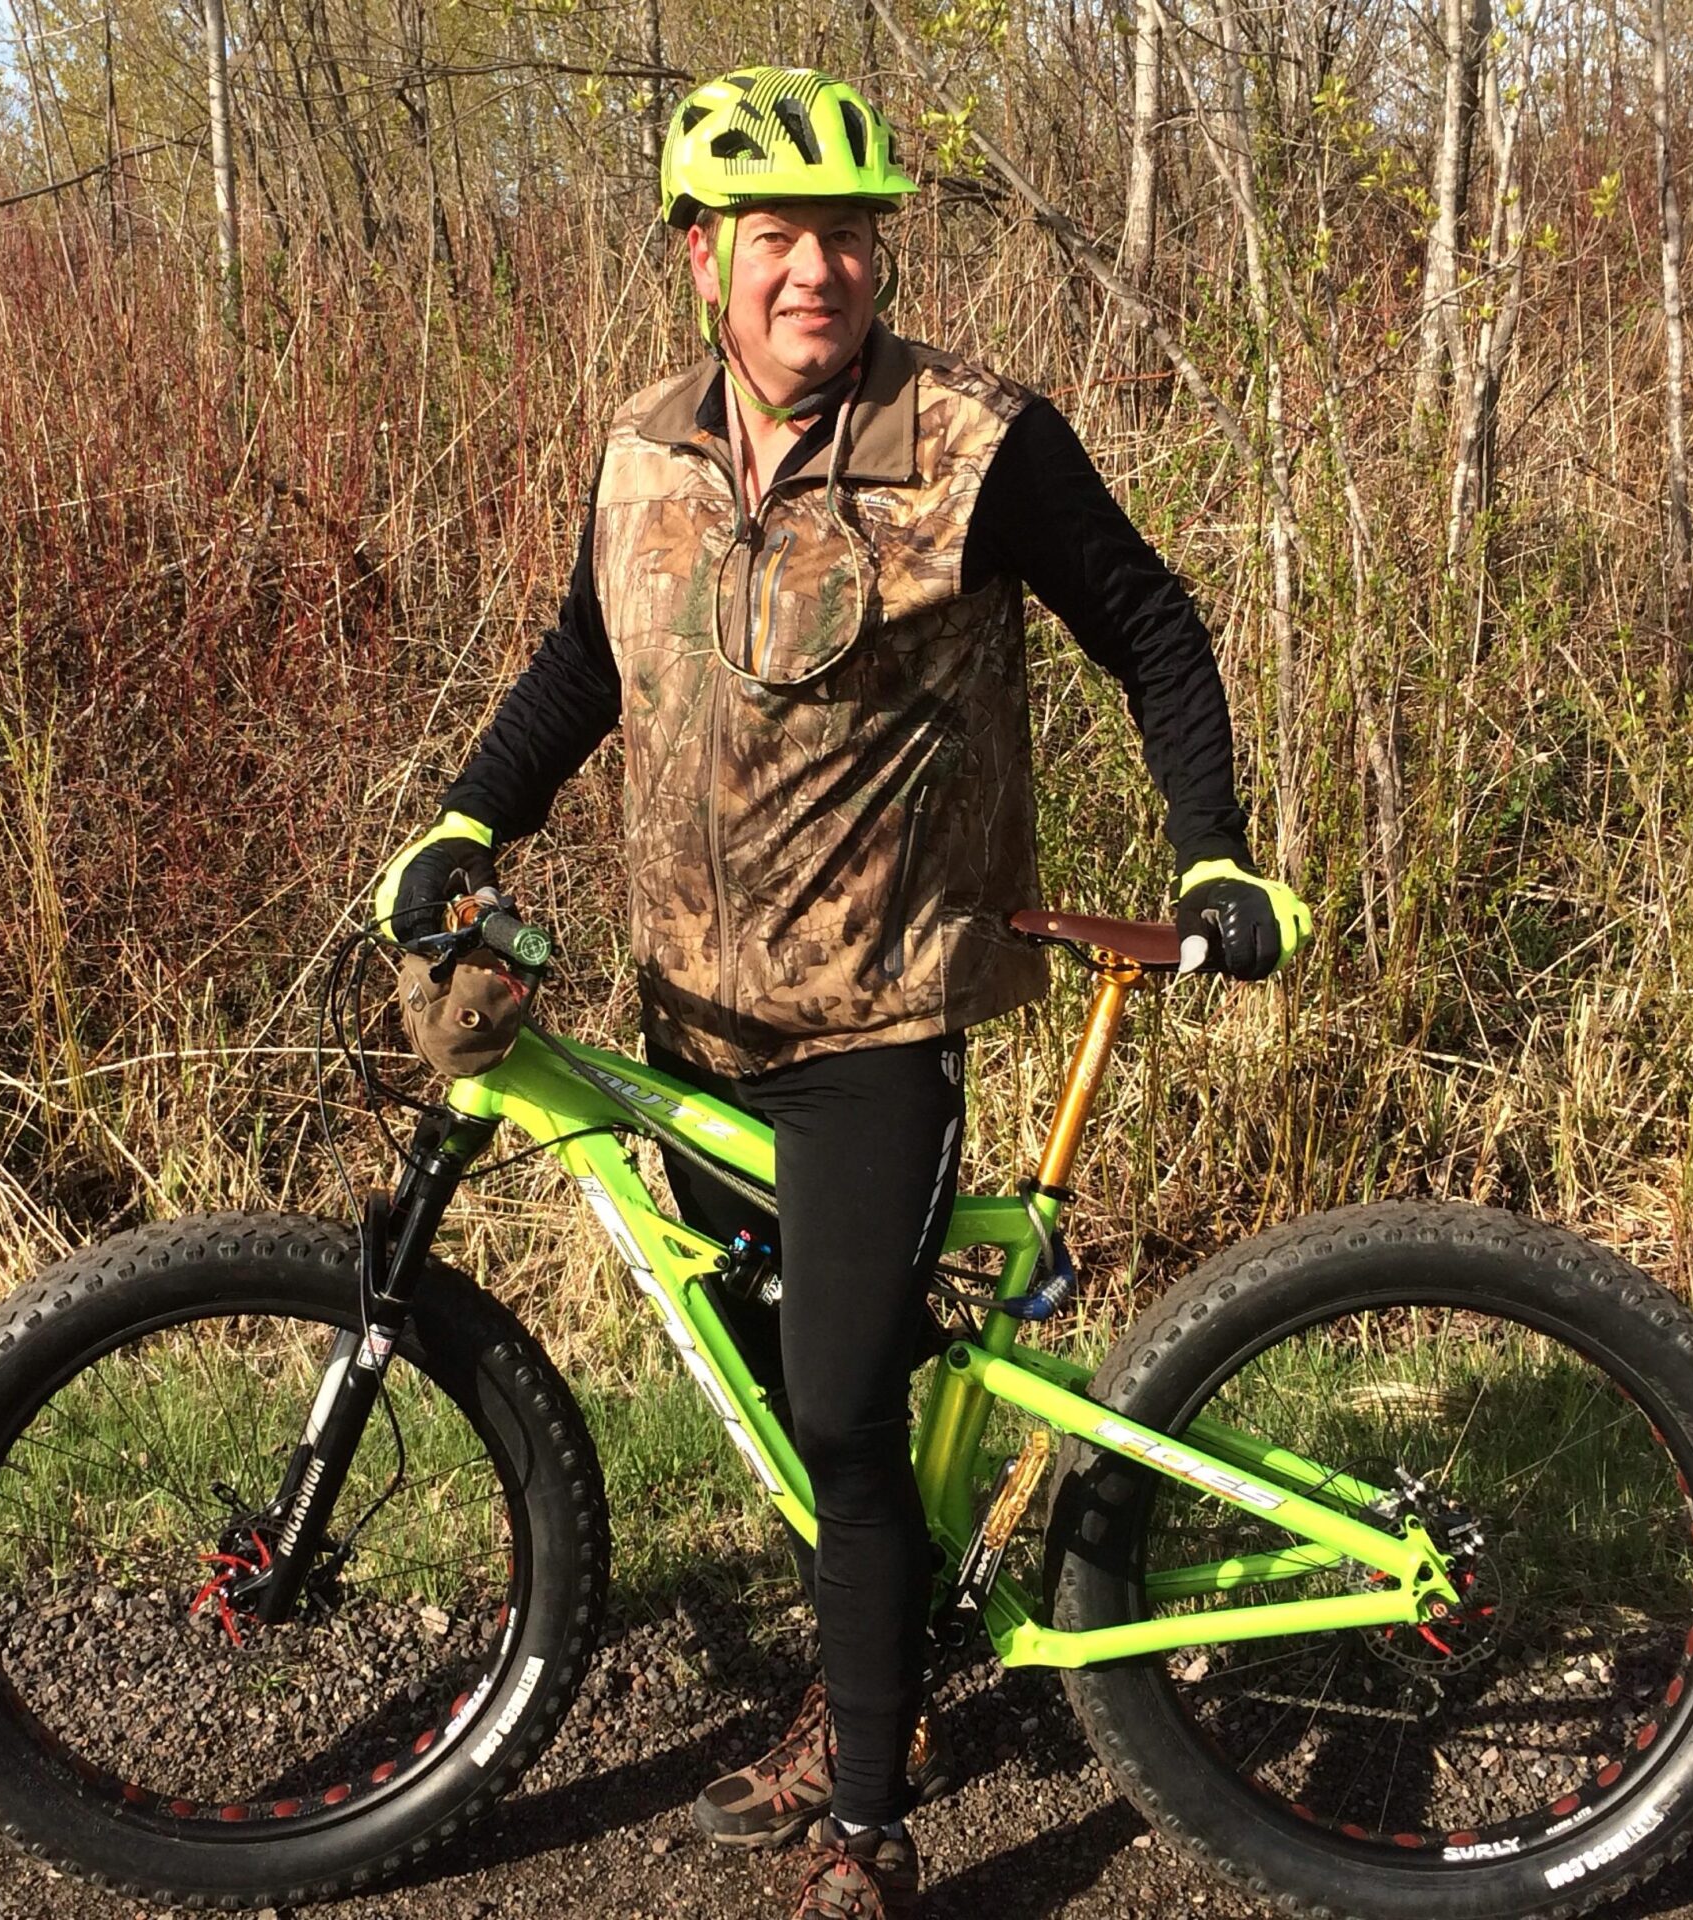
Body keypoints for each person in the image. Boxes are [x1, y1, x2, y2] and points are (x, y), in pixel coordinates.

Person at [373, 66, 1310, 1920]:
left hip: (878, 1024)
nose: (819, 271)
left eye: (849, 235)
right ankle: (881, 1681)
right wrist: (470, 816)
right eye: (777, 237)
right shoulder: (643, 444)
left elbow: (1153, 623)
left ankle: (873, 1827)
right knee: (798, 1410)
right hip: (688, 1019)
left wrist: (1210, 845)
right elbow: (586, 659)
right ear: (702, 257)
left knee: (839, 1420)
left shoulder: (975, 438)